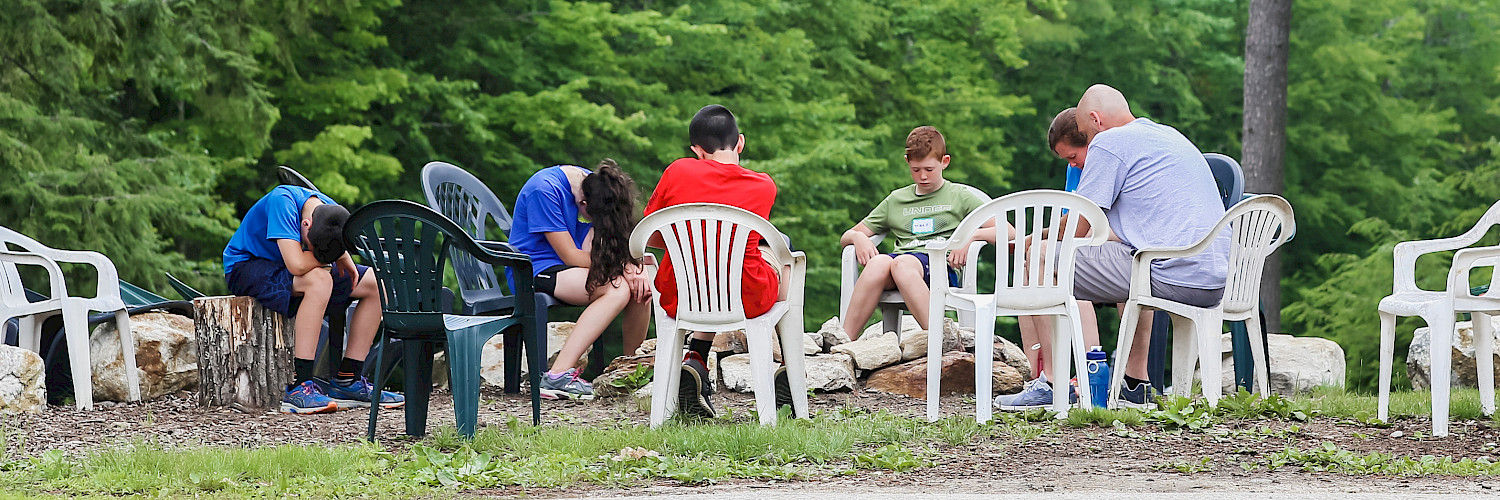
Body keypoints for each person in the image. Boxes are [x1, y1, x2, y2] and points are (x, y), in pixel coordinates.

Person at [1000, 85, 1229, 410]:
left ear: (1095, 119)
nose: (1088, 143)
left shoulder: (1111, 141)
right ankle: (1136, 383)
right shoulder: (1168, 135)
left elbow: (1081, 225)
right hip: (1212, 279)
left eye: (1084, 133)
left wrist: (1037, 238)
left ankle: (1054, 383)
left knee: (1041, 255)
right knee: (1124, 259)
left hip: (1167, 272)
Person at [643, 104, 788, 418]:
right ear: (741, 143)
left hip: (681, 294)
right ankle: (787, 369)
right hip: (744, 295)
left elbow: (651, 236)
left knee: (706, 266)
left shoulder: (677, 171)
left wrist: (688, 245)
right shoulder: (763, 185)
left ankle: (695, 358)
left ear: (697, 150)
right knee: (782, 255)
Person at [223, 184, 404, 414]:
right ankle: (299, 387)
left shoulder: (327, 207)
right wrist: (329, 260)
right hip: (247, 265)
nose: (311, 249)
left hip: (290, 268)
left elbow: (327, 250)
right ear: (305, 225)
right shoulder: (283, 201)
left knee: (376, 284)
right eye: (311, 247)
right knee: (320, 280)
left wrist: (343, 258)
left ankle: (348, 380)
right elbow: (297, 264)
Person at [508, 159, 652, 400]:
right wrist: (623, 265)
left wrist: (636, 267)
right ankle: (556, 376)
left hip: (578, 266)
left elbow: (614, 237)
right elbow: (570, 255)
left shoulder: (596, 185)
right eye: (592, 217)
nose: (593, 222)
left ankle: (631, 373)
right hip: (536, 268)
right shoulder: (544, 190)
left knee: (640, 287)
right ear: (583, 203)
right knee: (616, 289)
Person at [839, 126, 988, 340]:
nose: (923, 176)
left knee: (902, 264)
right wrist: (858, 237)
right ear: (907, 162)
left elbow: (1007, 231)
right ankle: (844, 343)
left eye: (929, 169)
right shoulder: (897, 200)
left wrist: (969, 238)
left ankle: (941, 340)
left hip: (938, 265)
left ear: (944, 162)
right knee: (878, 263)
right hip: (901, 263)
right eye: (916, 170)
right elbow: (848, 235)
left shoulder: (959, 196)